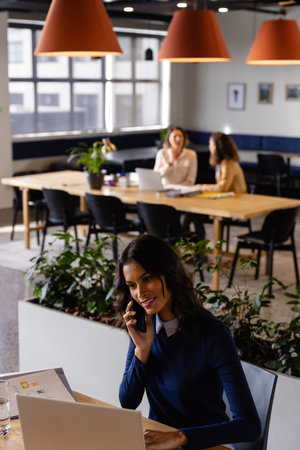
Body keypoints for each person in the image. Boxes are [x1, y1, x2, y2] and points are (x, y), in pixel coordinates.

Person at [115, 234, 261, 450]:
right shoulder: (144, 325)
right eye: (132, 285)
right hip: (158, 444)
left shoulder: (214, 334)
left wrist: (180, 437)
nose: (140, 293)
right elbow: (127, 401)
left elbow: (249, 426)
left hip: (203, 446)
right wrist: (142, 350)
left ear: (170, 274)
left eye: (147, 279)